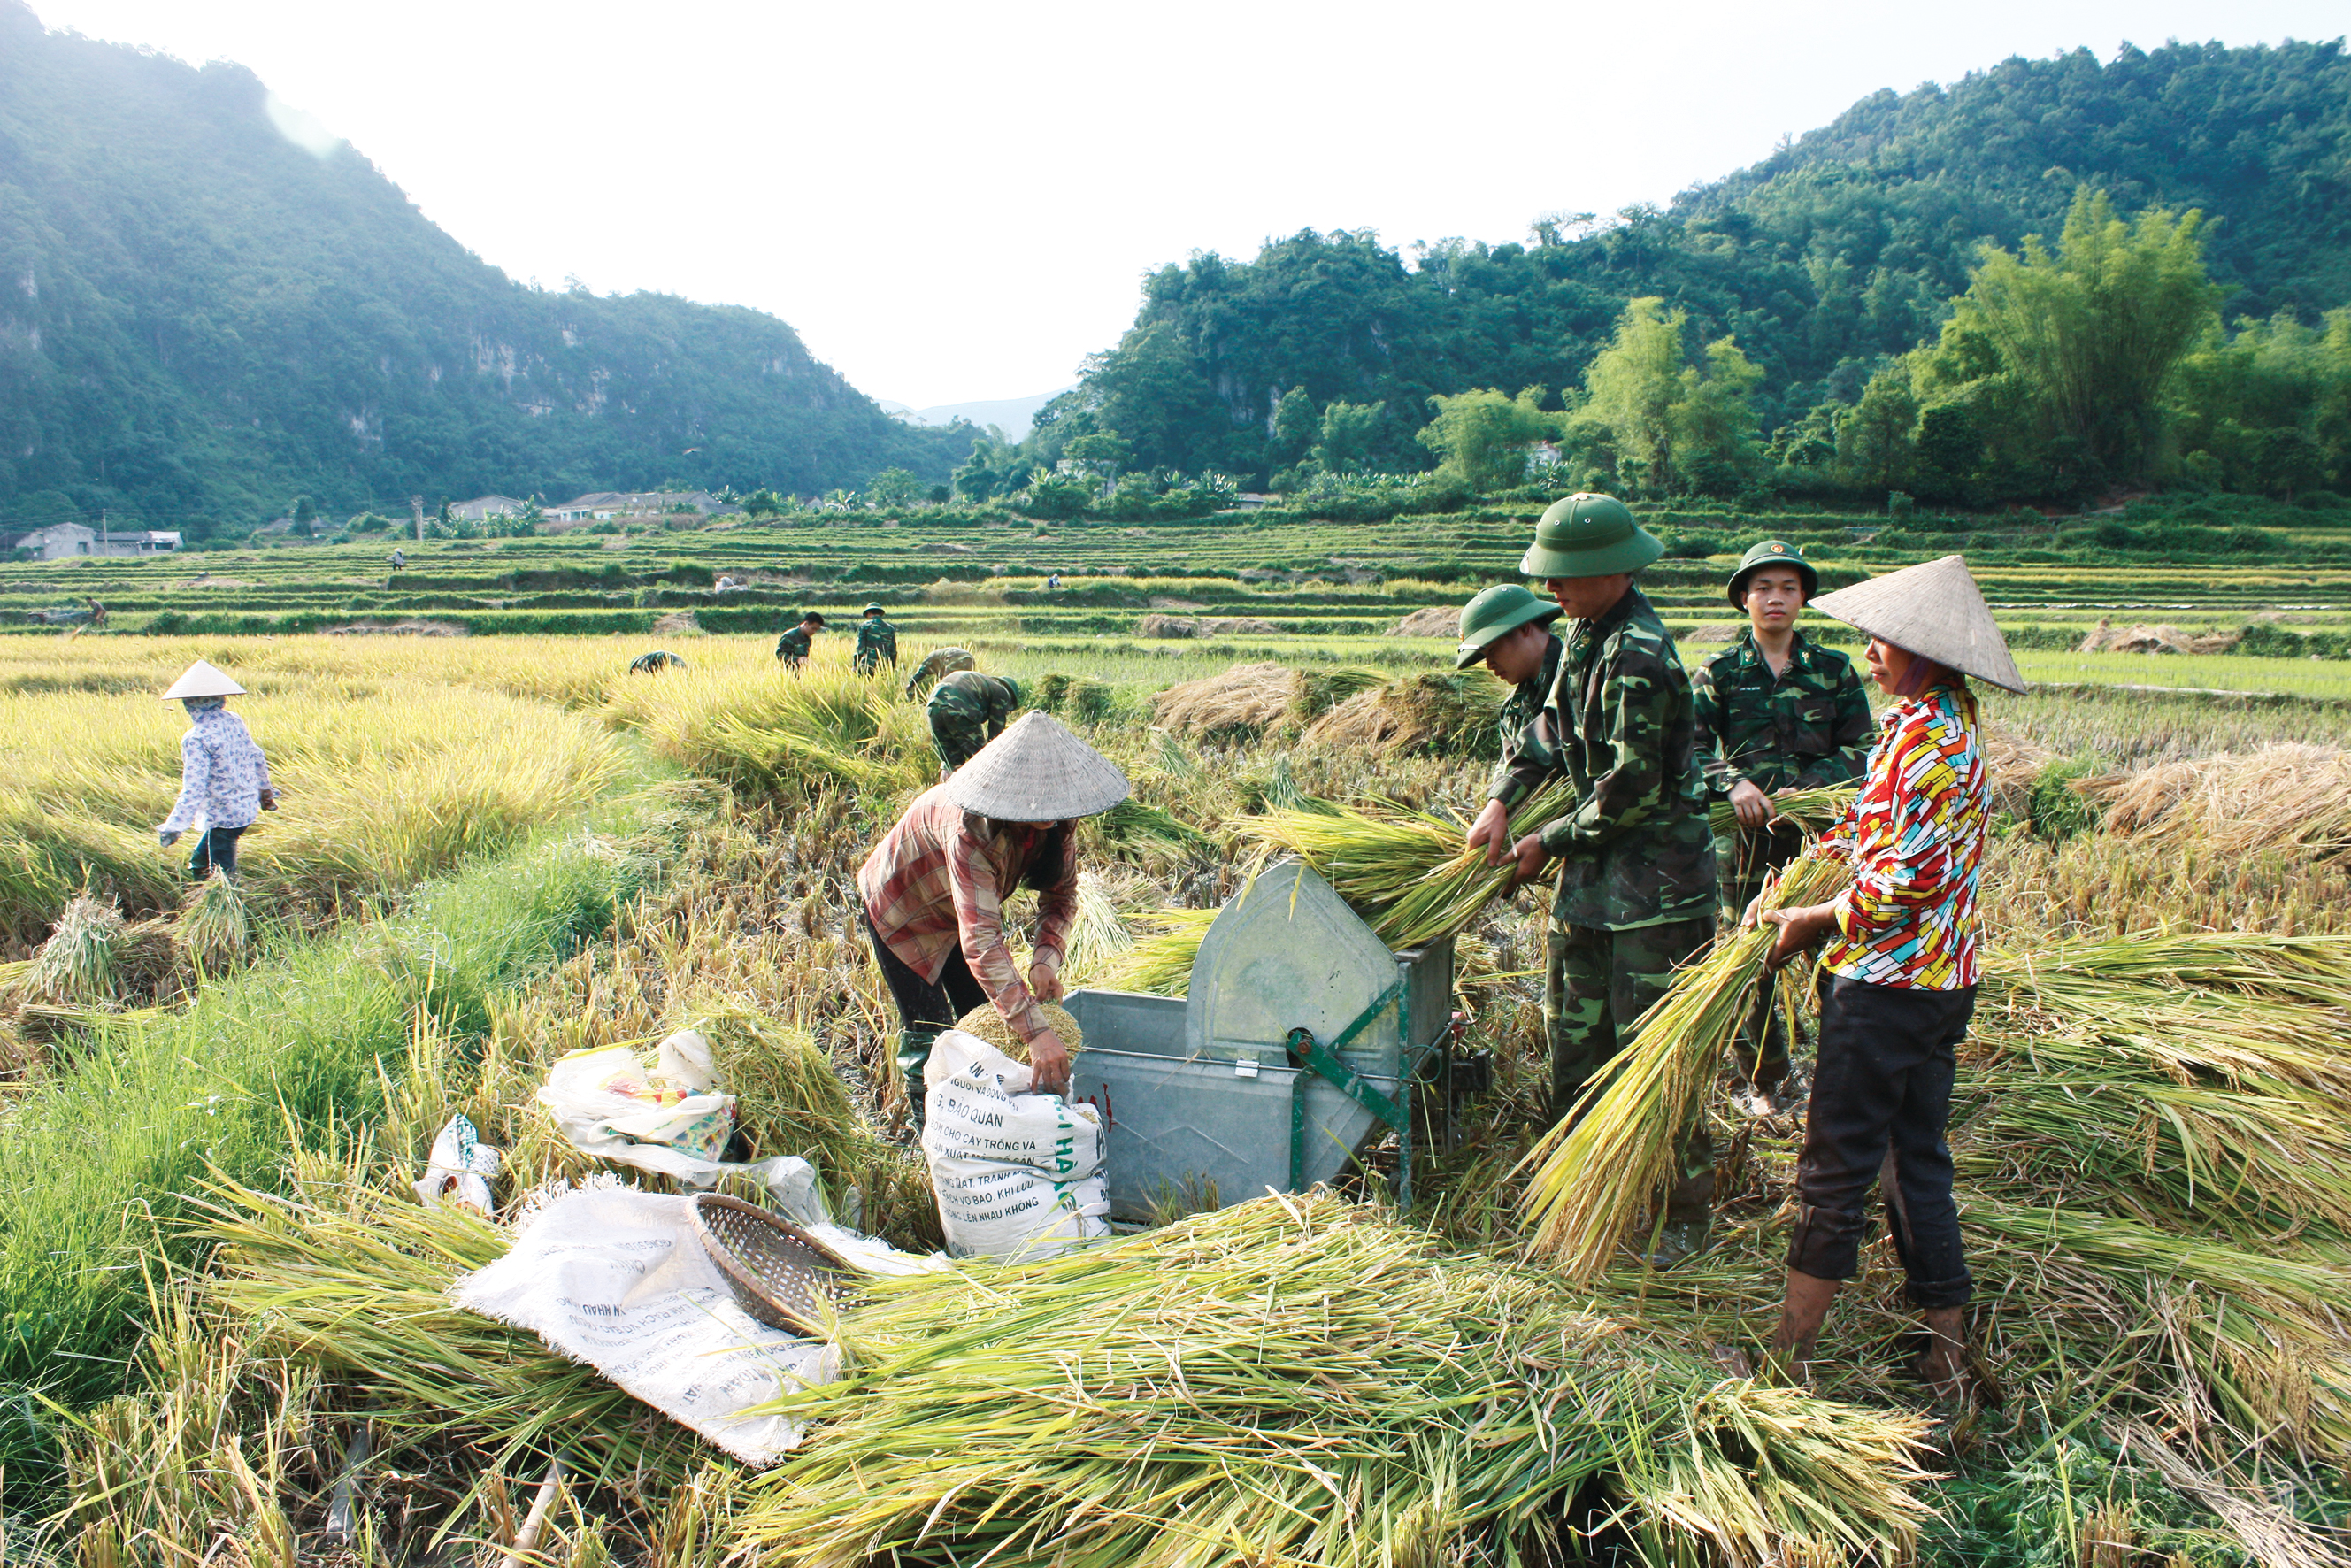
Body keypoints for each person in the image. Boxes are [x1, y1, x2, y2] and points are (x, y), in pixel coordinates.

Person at [1751, 554, 2024, 1398]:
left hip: (1888, 987)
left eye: (1883, 639)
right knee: (1915, 1161)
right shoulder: (1931, 723)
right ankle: (1945, 1357)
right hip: (1937, 984)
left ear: (1925, 651)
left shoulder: (1928, 742)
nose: (1868, 650)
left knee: (1833, 1169)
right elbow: (1877, 840)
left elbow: (1903, 884)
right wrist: (1811, 868)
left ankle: (1785, 1363)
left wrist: (1814, 920)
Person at [1464, 493, 1718, 1266]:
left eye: (1565, 577)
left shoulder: (1638, 652)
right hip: (1589, 890)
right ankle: (1580, 1189)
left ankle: (1680, 1215)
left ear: (1612, 570)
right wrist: (1502, 800)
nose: (1554, 591)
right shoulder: (1582, 636)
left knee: (1654, 1056)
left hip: (1655, 898)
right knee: (1573, 1044)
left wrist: (1546, 837)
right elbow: (1546, 732)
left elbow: (1630, 789)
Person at [857, 711, 1130, 1131]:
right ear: (1012, 792)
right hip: (905, 908)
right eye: (1037, 800)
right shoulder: (971, 830)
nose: (1049, 811)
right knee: (931, 1032)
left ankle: (986, 1125)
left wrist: (1045, 960)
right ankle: (932, 1135)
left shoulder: (1058, 818)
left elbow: (1061, 894)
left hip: (960, 910)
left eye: (1055, 801)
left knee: (986, 1024)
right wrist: (1038, 1034)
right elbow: (982, 942)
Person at [1692, 541, 1872, 1113]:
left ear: (1802, 599)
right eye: (1763, 587)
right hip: (1744, 843)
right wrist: (1732, 784)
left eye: (1788, 588)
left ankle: (1838, 1078)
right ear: (1743, 598)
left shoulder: (1833, 669)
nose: (1775, 598)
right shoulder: (1719, 672)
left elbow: (1864, 749)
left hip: (1822, 843)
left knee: (1834, 954)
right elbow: (1688, 748)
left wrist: (1815, 785)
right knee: (1751, 957)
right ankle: (1767, 1081)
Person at [154, 659, 276, 881]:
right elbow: (257, 756)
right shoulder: (233, 721)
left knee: (224, 880)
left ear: (190, 703)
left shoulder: (196, 738)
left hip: (223, 815)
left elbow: (194, 788)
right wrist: (265, 793)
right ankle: (199, 894)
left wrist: (173, 827)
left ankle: (227, 911)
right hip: (245, 808)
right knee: (200, 864)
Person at [1453, 583, 1563, 813]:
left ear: (1524, 628)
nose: (1489, 665)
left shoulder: (1582, 677)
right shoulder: (1512, 712)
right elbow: (1508, 775)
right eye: (1483, 657)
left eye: (1492, 650)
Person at [928, 670, 1023, 773]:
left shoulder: (985, 683)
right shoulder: (1002, 691)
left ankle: (948, 785)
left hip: (933, 709)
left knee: (952, 763)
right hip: (960, 708)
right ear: (1011, 700)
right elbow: (996, 736)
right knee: (982, 760)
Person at [904, 646, 977, 700]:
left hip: (954, 657)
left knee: (948, 685)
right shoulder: (939, 661)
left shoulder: (929, 658)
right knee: (965, 682)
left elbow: (920, 673)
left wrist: (910, 685)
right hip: (968, 657)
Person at [854, 602, 898, 674]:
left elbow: (860, 648)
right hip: (884, 666)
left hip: (868, 665)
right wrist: (892, 667)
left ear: (868, 613)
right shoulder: (890, 628)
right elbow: (893, 651)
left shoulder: (865, 626)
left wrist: (855, 665)